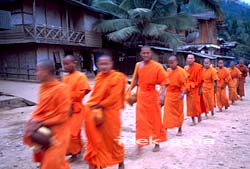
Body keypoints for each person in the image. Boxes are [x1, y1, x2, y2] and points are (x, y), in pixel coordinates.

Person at [23, 60, 71, 169]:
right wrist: (33, 121)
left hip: (59, 133)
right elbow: (41, 109)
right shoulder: (43, 88)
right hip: (44, 133)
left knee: (51, 164)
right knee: (57, 163)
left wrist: (41, 122)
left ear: (47, 72)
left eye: (38, 71)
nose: (36, 74)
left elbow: (63, 116)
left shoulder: (62, 89)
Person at [83, 55, 126, 169]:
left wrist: (99, 105)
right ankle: (98, 163)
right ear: (97, 65)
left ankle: (120, 161)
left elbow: (114, 97)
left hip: (111, 113)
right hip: (98, 113)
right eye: (101, 64)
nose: (104, 66)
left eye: (106, 64)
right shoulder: (98, 77)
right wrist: (92, 106)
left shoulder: (118, 77)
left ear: (111, 64)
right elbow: (95, 95)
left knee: (114, 139)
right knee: (97, 140)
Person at [127, 46, 167, 153]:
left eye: (147, 53)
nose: (145, 55)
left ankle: (157, 143)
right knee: (140, 121)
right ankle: (141, 143)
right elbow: (135, 79)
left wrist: (162, 95)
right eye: (143, 53)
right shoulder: (138, 65)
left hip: (153, 96)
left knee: (155, 120)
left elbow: (165, 82)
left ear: (151, 54)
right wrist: (129, 91)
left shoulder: (157, 66)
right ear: (141, 54)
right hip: (141, 96)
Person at [63, 55, 91, 162]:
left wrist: (69, 99)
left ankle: (75, 153)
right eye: (64, 64)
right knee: (66, 132)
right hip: (66, 109)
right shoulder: (65, 78)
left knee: (73, 132)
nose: (65, 66)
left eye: (67, 63)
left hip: (77, 108)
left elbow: (81, 93)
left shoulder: (80, 76)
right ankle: (77, 150)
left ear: (74, 63)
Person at [163, 56, 187, 136]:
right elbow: (165, 83)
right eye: (169, 63)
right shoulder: (168, 71)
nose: (170, 65)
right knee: (167, 112)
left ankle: (180, 129)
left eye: (172, 63)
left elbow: (184, 84)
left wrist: (182, 93)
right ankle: (165, 128)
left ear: (176, 62)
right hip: (169, 94)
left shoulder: (182, 72)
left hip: (178, 94)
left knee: (179, 112)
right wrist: (162, 93)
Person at [184, 54, 203, 126]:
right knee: (190, 105)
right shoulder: (185, 68)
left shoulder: (199, 67)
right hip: (189, 88)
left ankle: (198, 115)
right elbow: (184, 79)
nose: (190, 60)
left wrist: (200, 88)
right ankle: (193, 120)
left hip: (196, 88)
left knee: (196, 104)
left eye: (191, 58)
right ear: (186, 59)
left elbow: (201, 79)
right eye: (188, 58)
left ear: (194, 59)